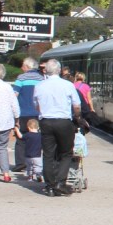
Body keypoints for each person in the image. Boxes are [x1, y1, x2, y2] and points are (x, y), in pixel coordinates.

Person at [33, 58, 81, 197]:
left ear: (45, 70)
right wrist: (77, 117)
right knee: (65, 153)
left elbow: (36, 105)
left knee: (48, 155)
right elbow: (76, 105)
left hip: (46, 121)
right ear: (59, 71)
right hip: (64, 122)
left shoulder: (39, 86)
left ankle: (49, 186)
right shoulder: (67, 85)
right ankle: (60, 182)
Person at [12, 57, 44, 171]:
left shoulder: (21, 78)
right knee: (36, 138)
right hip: (37, 113)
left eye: (23, 66)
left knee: (20, 139)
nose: (21, 68)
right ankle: (36, 163)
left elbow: (14, 94)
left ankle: (21, 164)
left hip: (23, 113)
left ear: (27, 67)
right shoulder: (41, 79)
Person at [16, 118, 43, 182]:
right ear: (38, 127)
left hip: (28, 155)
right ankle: (38, 174)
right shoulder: (40, 135)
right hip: (37, 155)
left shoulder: (28, 135)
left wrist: (17, 130)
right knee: (38, 166)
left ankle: (30, 177)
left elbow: (20, 136)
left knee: (29, 167)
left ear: (28, 127)